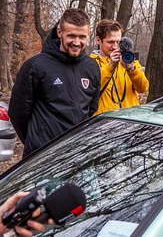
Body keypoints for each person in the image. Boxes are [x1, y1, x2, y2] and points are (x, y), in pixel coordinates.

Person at [9, 8, 100, 157]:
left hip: (78, 155)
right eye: (71, 36)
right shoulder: (35, 66)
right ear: (59, 32)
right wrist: (35, 142)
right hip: (43, 158)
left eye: (82, 37)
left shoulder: (92, 67)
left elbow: (91, 108)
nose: (77, 42)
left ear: (88, 35)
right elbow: (18, 113)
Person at [90, 19, 149, 115]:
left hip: (129, 121)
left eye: (118, 42)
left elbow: (143, 88)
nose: (115, 46)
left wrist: (131, 69)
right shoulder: (91, 63)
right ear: (98, 40)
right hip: (103, 123)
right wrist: (110, 66)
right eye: (110, 42)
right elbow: (91, 90)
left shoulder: (128, 59)